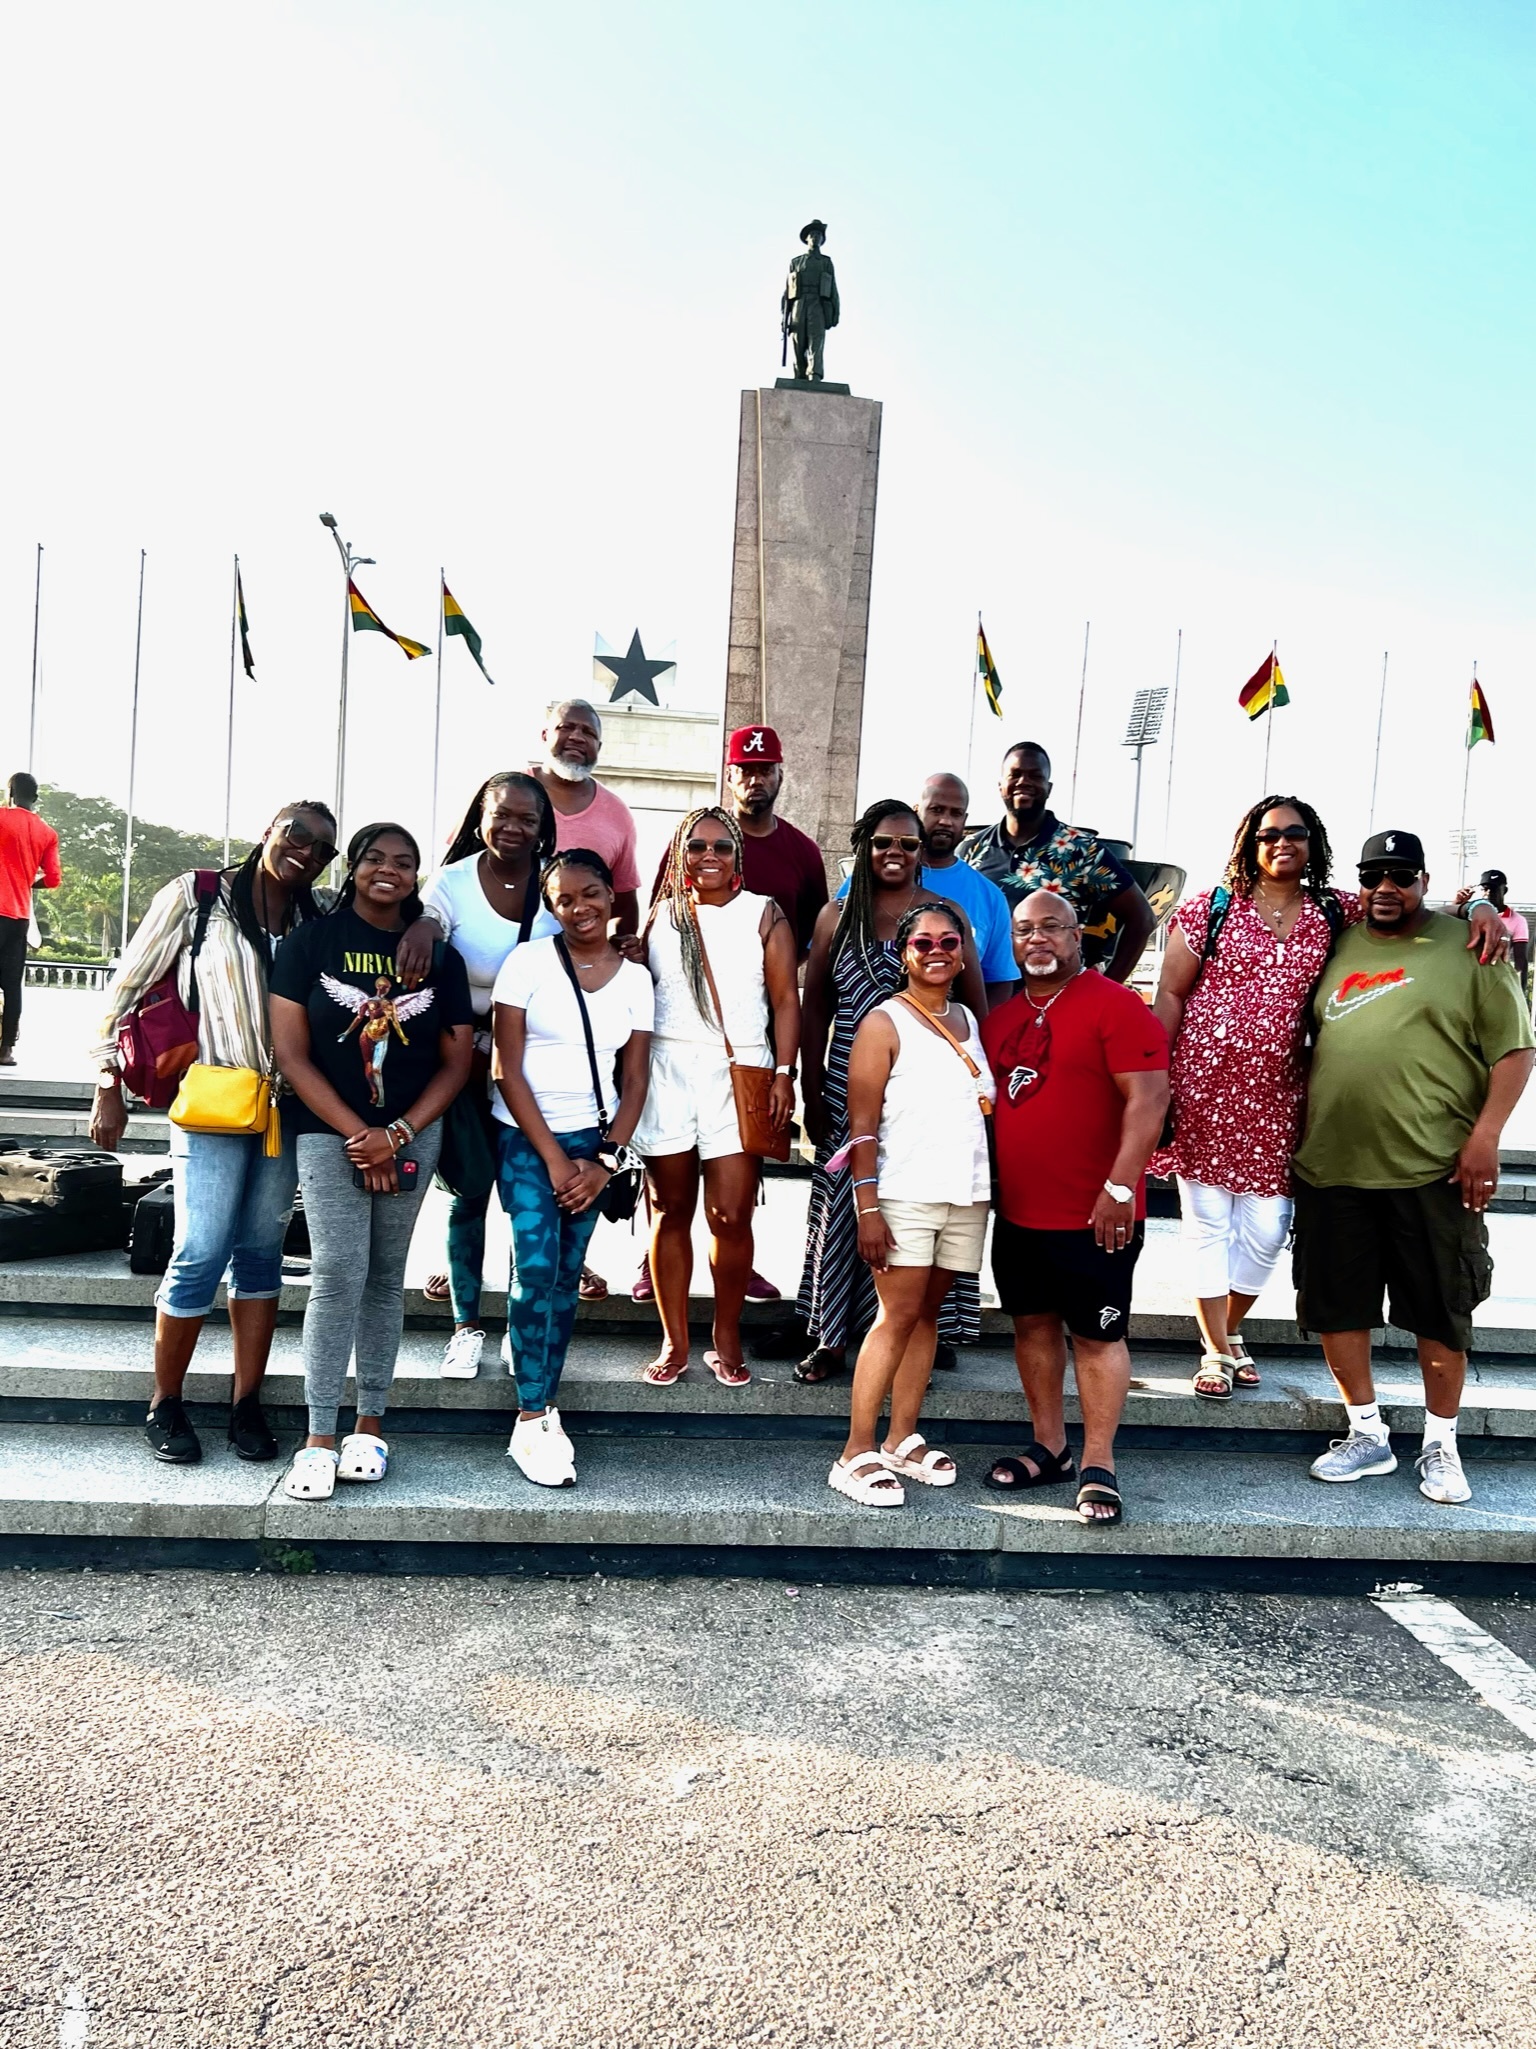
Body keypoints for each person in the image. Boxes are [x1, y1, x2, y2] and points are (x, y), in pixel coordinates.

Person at [1154, 800, 1513, 1399]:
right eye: (1269, 834)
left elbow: (1413, 901)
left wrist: (1480, 905)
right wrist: (1155, 1078)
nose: (1282, 842)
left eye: (1295, 833)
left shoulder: (1334, 909)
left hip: (1281, 1098)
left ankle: (1229, 1328)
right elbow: (1169, 994)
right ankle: (1217, 1349)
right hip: (1202, 1088)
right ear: (1249, 843)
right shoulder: (1209, 909)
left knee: (1268, 1230)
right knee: (1208, 1223)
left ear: (1313, 844)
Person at [89, 802, 339, 1465]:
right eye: (297, 834)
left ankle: (244, 1403)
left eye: (323, 849)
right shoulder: (198, 897)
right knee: (200, 1248)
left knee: (260, 1252)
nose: (307, 851)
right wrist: (107, 1083)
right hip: (215, 1099)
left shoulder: (317, 916)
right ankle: (164, 1401)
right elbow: (126, 986)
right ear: (268, 831)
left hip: (286, 1108)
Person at [1292, 831, 1533, 1505]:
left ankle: (1440, 1443)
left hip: (1433, 1167)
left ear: (1425, 880)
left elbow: (1515, 1051)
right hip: (1332, 1166)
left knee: (1440, 1312)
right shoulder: (1336, 942)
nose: (1386, 887)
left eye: (1401, 875)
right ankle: (1366, 1433)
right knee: (1336, 1306)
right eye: (1374, 875)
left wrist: (1486, 1137)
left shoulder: (1470, 947)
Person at [270, 824, 473, 1502]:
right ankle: (318, 1436)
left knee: (385, 1278)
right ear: (353, 866)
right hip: (330, 1132)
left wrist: (399, 1132)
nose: (389, 870)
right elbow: (292, 1054)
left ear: (418, 876)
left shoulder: (438, 959)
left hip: (412, 1133)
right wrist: (364, 1134)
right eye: (375, 858)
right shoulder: (310, 943)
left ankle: (369, 1425)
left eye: (405, 862)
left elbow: (456, 1062)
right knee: (336, 1274)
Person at [979, 891, 1170, 1525]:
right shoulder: (1001, 1020)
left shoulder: (1117, 1006)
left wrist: (1121, 1187)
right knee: (1032, 1328)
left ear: (1077, 936)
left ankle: (1098, 1462)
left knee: (1097, 1336)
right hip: (1020, 1215)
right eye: (1024, 929)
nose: (1037, 939)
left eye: (1051, 927)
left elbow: (1149, 1100)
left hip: (1098, 1215)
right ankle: (1051, 1447)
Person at [793, 799, 985, 1384]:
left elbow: (974, 1007)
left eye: (907, 843)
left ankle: (923, 1331)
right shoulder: (836, 915)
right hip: (850, 1085)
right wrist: (809, 1083)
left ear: (922, 850)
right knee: (849, 1205)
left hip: (930, 1093)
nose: (895, 853)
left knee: (926, 1203)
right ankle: (831, 1337)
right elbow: (815, 1007)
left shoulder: (944, 916)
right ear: (864, 848)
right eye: (882, 842)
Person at [632, 721, 823, 1306]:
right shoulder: (683, 857)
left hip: (747, 1043)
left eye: (765, 769)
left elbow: (810, 943)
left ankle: (736, 1295)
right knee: (669, 1194)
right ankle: (655, 1274)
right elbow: (656, 940)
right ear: (730, 773)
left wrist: (784, 1065)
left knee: (732, 1202)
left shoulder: (800, 853)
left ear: (780, 774)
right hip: (673, 1054)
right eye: (745, 769)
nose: (754, 779)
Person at [492, 851, 653, 1485]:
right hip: (525, 1136)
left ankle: (544, 1392)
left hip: (595, 1142)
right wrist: (557, 1160)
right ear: (551, 906)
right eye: (564, 898)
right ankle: (531, 1417)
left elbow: (634, 1079)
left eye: (590, 893)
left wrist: (604, 1160)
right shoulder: (527, 963)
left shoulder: (635, 979)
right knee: (535, 1266)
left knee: (564, 1274)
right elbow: (505, 1069)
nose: (579, 907)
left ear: (611, 896)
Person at [828, 903, 994, 1505]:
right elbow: (861, 1126)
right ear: (904, 952)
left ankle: (901, 1437)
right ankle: (855, 1451)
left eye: (949, 941)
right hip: (903, 1193)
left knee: (926, 1315)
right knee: (896, 1315)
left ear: (963, 952)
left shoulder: (970, 1019)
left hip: (966, 1194)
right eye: (923, 942)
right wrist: (867, 1207)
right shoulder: (884, 1022)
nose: (937, 951)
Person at [632, 808, 799, 1388]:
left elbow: (786, 1000)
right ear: (681, 853)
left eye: (721, 847)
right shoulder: (661, 916)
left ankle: (726, 1335)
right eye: (697, 846)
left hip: (739, 1073)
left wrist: (785, 1073)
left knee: (730, 1215)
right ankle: (675, 1340)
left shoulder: (764, 913)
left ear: (737, 855)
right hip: (667, 1072)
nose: (709, 856)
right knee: (669, 1210)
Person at [415, 774, 560, 1374]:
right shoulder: (451, 882)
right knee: (469, 1192)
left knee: (529, 1198)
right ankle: (466, 1325)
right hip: (465, 1059)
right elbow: (427, 922)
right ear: (481, 817)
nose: (514, 828)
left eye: (528, 819)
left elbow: (584, 937)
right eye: (503, 815)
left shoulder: (553, 883)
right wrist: (423, 926)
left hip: (536, 1063)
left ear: (543, 828)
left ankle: (520, 1327)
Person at [958, 741, 1155, 981]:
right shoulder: (971, 849)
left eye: (1035, 775)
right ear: (1000, 785)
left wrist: (1109, 987)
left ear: (1048, 788)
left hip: (1058, 995)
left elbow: (1142, 918)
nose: (1023, 782)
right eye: (1015, 774)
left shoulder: (1081, 849)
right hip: (985, 994)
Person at [836, 773, 1018, 1007]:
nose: (946, 821)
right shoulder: (862, 884)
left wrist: (974, 1027)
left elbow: (999, 981)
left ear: (965, 819)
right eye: (936, 810)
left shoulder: (989, 897)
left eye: (956, 813)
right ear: (916, 812)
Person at [528, 699, 642, 938]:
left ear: (598, 747)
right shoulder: (504, 793)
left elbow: (623, 904)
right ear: (545, 735)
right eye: (566, 727)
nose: (577, 737)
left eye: (588, 732)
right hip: (492, 955)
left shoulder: (617, 814)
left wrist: (618, 946)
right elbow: (461, 868)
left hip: (580, 958)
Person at [0, 771, 61, 1065]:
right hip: (19, 917)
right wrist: (26, 882)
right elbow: (53, 879)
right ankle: (7, 1049)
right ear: (35, 798)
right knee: (12, 985)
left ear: (10, 793)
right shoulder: (47, 833)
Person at [782, 219, 840, 382]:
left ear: (822, 239)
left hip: (818, 304)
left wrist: (835, 311)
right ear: (806, 238)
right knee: (798, 340)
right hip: (799, 304)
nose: (815, 237)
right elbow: (787, 291)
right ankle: (799, 373)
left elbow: (833, 288)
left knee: (816, 339)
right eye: (812, 234)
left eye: (819, 235)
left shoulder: (826, 262)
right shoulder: (796, 262)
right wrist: (784, 316)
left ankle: (814, 373)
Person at [1456, 870, 1529, 985]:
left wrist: (1520, 989)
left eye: (1494, 889)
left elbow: (1520, 960)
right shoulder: (1471, 914)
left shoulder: (1517, 920)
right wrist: (1457, 904)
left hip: (1496, 979)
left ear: (1504, 890)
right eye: (1485, 889)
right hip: (1467, 977)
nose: (1489, 893)